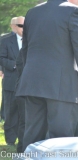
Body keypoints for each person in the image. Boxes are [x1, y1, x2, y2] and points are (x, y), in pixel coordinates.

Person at [15, 0, 78, 151]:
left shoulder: (32, 12)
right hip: (62, 86)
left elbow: (25, 51)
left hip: (33, 84)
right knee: (61, 141)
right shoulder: (74, 11)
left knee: (33, 138)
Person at [0, 16, 25, 149]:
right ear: (13, 26)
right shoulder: (5, 41)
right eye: (21, 26)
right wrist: (16, 65)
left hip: (26, 81)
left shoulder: (30, 39)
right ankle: (10, 140)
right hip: (11, 81)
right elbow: (1, 58)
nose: (24, 29)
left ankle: (23, 138)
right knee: (10, 111)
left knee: (24, 112)